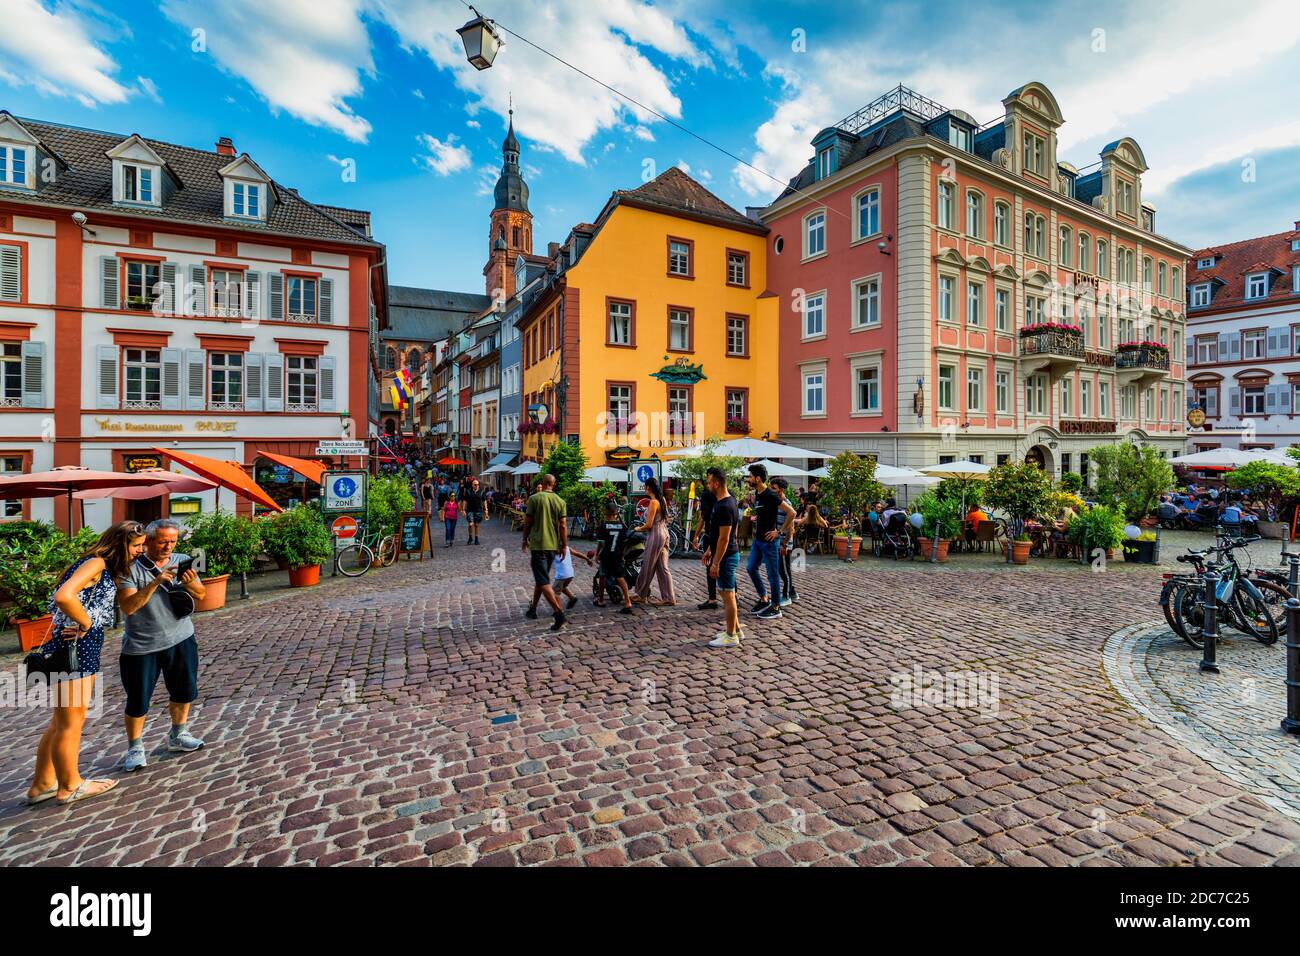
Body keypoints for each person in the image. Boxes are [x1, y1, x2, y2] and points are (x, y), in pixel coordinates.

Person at [26, 520, 146, 806]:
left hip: (72, 647)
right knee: (71, 722)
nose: (140, 551)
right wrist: (86, 622)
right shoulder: (96, 564)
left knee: (61, 721)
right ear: (119, 545)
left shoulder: (96, 565)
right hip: (76, 649)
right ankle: (70, 785)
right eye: (136, 546)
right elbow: (63, 597)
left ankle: (42, 784)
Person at [117, 519, 208, 771]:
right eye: (163, 541)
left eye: (173, 541)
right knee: (138, 701)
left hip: (181, 637)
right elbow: (128, 606)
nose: (169, 546)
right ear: (147, 540)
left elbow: (201, 595)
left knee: (184, 690)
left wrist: (191, 584)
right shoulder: (129, 568)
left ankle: (178, 735)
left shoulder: (182, 559)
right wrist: (156, 582)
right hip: (142, 645)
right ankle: (134, 747)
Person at [522, 473, 568, 630]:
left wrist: (524, 539)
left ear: (542, 483)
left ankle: (558, 613)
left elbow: (527, 522)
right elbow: (563, 526)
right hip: (553, 546)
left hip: (538, 544)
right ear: (553, 484)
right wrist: (563, 545)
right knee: (541, 579)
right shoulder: (560, 501)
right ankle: (533, 609)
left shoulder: (535, 498)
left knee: (542, 580)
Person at [703, 467, 742, 648]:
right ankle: (736, 628)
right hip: (725, 554)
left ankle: (731, 635)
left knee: (728, 596)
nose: (707, 485)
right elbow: (720, 534)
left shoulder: (725, 506)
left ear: (717, 484)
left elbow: (726, 537)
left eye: (709, 482)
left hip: (726, 556)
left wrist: (716, 562)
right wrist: (710, 550)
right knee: (727, 593)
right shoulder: (727, 501)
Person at [746, 463, 789, 621]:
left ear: (757, 478)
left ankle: (776, 606)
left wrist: (779, 532)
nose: (748, 479)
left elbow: (791, 512)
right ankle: (764, 598)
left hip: (770, 542)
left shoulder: (770, 494)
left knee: (772, 574)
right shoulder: (758, 494)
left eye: (750, 477)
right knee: (751, 568)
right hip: (758, 541)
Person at [633, 476, 676, 607]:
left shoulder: (653, 502)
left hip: (656, 535)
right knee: (663, 567)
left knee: (647, 565)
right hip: (664, 533)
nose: (644, 489)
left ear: (649, 487)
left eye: (645, 486)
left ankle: (641, 595)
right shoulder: (661, 499)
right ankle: (669, 597)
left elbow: (649, 525)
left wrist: (637, 528)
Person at [592, 500, 634, 614]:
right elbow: (624, 542)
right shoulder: (622, 527)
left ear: (606, 513)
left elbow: (601, 543)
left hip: (606, 555)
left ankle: (600, 600)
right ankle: (628, 601)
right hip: (617, 556)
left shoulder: (603, 526)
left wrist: (596, 555)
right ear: (617, 513)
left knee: (602, 576)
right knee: (620, 577)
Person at [771, 477, 798, 606]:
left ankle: (786, 596)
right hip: (778, 541)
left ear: (781, 490)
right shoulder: (776, 503)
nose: (771, 490)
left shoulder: (787, 505)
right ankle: (792, 592)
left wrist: (785, 544)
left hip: (784, 542)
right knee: (782, 568)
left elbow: (791, 528)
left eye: (774, 488)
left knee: (784, 570)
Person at [693, 477, 718, 611]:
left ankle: (732, 596)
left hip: (718, 536)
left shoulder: (725, 496)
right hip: (710, 535)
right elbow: (703, 517)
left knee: (722, 566)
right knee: (710, 566)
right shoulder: (707, 495)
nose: (708, 484)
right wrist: (696, 535)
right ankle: (713, 598)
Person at [550, 543, 590, 610]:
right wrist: (587, 559)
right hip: (570, 574)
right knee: (562, 587)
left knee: (555, 592)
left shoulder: (553, 551)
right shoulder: (567, 548)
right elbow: (577, 553)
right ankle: (572, 598)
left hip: (561, 576)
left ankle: (559, 610)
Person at [463, 478, 484, 545]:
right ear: (472, 485)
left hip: (478, 510)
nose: (477, 486)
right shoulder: (468, 491)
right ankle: (470, 537)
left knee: (477, 525)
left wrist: (486, 510)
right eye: (475, 484)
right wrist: (463, 510)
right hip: (470, 510)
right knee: (470, 524)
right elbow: (465, 500)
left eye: (478, 484)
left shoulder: (481, 491)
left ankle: (476, 539)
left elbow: (484, 501)